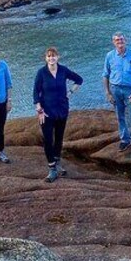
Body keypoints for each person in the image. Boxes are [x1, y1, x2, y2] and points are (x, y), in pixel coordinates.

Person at [33, 47, 83, 182]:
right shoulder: (41, 73)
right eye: (49, 56)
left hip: (62, 110)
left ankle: (57, 161)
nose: (51, 58)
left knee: (59, 138)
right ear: (45, 58)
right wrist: (39, 109)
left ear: (58, 57)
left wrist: (70, 93)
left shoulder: (63, 70)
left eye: (53, 56)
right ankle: (52, 169)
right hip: (47, 112)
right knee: (48, 140)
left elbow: (79, 80)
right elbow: (35, 92)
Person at [103, 32, 131, 151]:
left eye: (121, 39)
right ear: (113, 42)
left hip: (129, 90)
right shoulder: (109, 56)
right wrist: (108, 93)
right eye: (117, 40)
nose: (119, 42)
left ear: (125, 40)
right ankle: (125, 140)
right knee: (119, 115)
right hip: (115, 89)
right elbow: (105, 75)